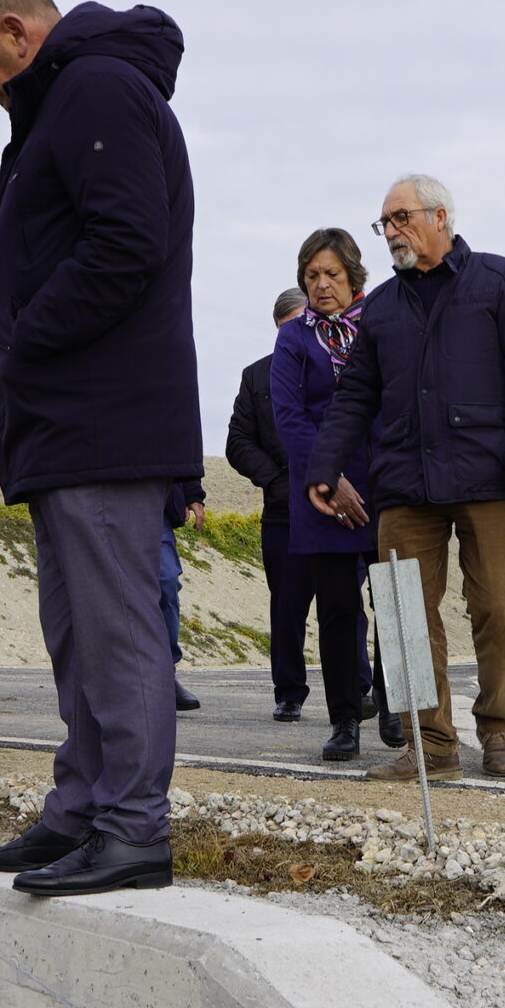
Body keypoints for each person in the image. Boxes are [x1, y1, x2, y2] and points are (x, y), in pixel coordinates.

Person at [0, 0, 199, 896]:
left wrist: (24, 335)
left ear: (14, 31)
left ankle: (133, 829)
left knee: (119, 634)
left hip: (104, 419)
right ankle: (82, 810)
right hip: (66, 422)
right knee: (78, 635)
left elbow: (125, 243)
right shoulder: (56, 107)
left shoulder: (97, 89)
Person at [306, 175, 505, 780]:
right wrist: (324, 466)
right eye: (384, 223)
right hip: (404, 484)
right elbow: (357, 392)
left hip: (490, 478)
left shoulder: (499, 280)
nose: (391, 232)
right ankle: (433, 745)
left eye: (401, 218)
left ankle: (497, 731)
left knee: (497, 608)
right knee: (403, 616)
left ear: (440, 217)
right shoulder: (384, 306)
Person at [272, 228, 386, 762]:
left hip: (384, 487)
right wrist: (328, 477)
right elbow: (289, 416)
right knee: (339, 610)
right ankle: (346, 719)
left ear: (353, 276)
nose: (321, 285)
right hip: (321, 494)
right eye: (312, 276)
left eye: (331, 275)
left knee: (395, 603)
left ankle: (397, 708)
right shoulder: (294, 339)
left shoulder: (382, 325)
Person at [227, 288, 311, 720]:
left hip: (338, 511)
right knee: (287, 607)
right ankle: (289, 693)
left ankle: (357, 691)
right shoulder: (256, 376)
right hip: (282, 514)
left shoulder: (337, 369)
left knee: (346, 607)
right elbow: (237, 442)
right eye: (285, 328)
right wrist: (278, 482)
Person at [161, 479, 205, 711]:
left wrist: (192, 494)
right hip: (105, 495)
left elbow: (181, 443)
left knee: (166, 582)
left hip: (155, 503)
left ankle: (165, 676)